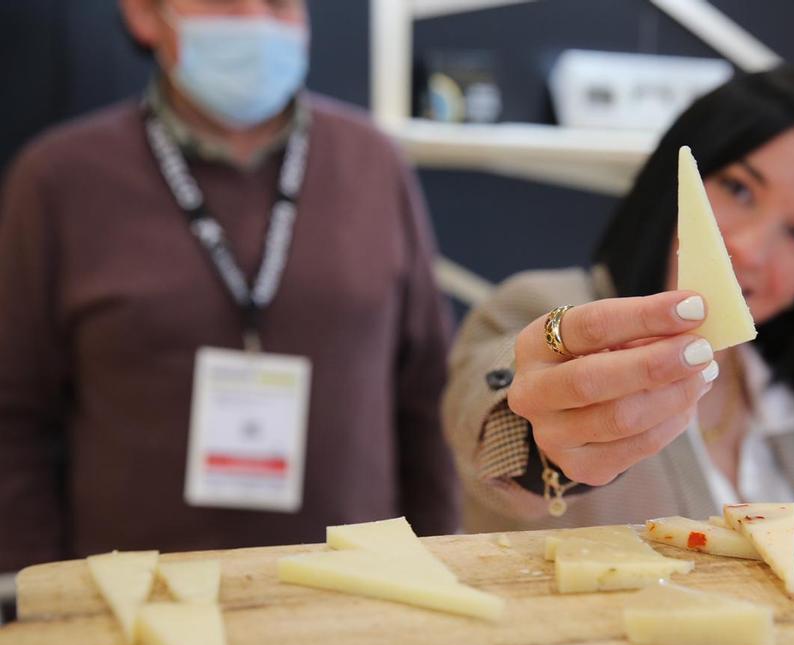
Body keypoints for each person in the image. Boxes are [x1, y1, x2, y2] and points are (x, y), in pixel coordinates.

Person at [0, 0, 459, 573]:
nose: (253, 20)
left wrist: (437, 564)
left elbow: (427, 394)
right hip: (135, 604)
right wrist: (34, 595)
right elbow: (13, 416)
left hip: (356, 590)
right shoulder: (58, 178)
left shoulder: (374, 163)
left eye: (279, 5)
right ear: (145, 14)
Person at [443, 67, 794, 532]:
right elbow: (493, 416)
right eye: (738, 189)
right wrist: (545, 445)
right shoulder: (539, 303)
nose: (752, 250)